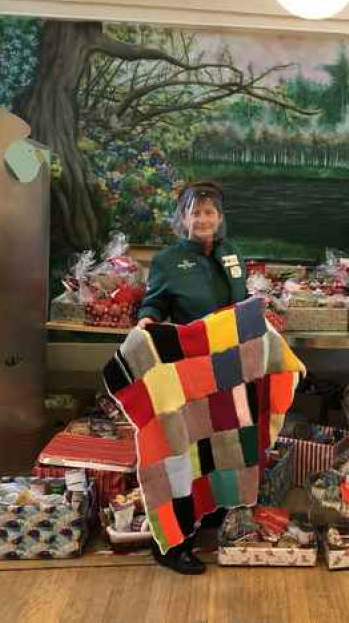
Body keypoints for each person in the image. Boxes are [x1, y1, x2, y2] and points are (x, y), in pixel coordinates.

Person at [135, 180, 247, 574]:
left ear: (219, 217)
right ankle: (170, 545)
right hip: (184, 370)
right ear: (183, 217)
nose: (203, 219)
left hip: (225, 369)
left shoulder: (232, 253)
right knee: (179, 459)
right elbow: (153, 302)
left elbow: (239, 302)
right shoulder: (168, 260)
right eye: (196, 212)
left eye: (210, 212)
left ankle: (210, 519)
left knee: (215, 451)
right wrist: (147, 319)